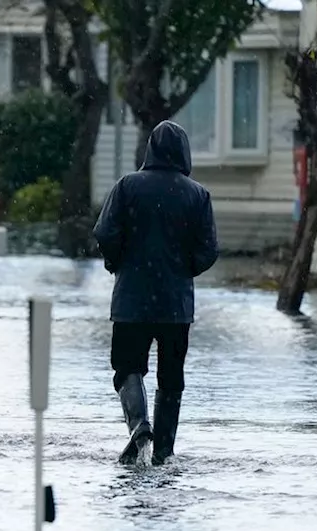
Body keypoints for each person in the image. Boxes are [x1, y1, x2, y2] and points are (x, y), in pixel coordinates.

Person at [93, 120, 219, 466]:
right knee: (171, 377)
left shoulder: (127, 187)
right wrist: (182, 270)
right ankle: (164, 451)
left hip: (131, 299)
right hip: (176, 306)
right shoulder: (197, 195)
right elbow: (209, 250)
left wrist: (118, 263)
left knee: (127, 367)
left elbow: (104, 232)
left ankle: (139, 426)